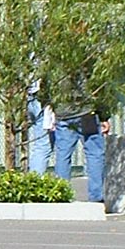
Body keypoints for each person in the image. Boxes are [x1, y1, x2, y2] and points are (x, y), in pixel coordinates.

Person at [50, 75, 109, 204]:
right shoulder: (87, 66)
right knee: (94, 154)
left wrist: (53, 108)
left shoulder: (55, 66)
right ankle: (96, 196)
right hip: (86, 113)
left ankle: (61, 193)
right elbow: (98, 88)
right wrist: (104, 116)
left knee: (63, 154)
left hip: (63, 113)